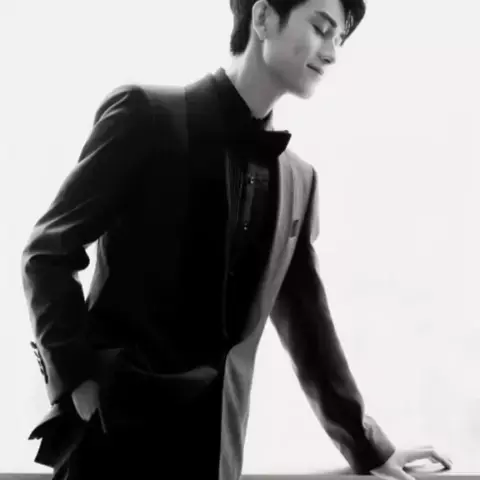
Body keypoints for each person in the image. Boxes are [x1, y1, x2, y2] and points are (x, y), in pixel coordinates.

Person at [21, 0, 453, 479]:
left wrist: (368, 446)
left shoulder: (299, 180)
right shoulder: (146, 115)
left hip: (219, 457)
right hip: (111, 449)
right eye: (321, 28)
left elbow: (307, 322)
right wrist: (77, 380)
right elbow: (48, 251)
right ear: (263, 17)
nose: (332, 52)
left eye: (340, 40)